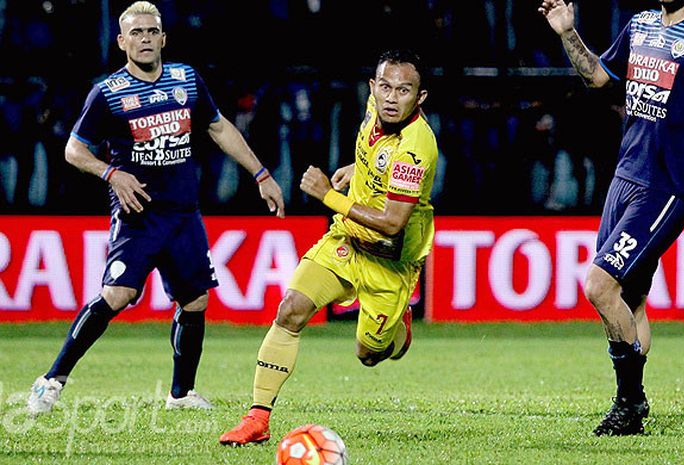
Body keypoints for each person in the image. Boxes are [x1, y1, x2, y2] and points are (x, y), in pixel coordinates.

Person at [26, 1, 285, 415]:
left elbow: (219, 127)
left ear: (163, 38)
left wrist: (261, 174)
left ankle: (181, 394)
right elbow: (74, 150)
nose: (145, 39)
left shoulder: (187, 79)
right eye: (136, 33)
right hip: (139, 216)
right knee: (117, 294)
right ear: (122, 41)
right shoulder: (108, 93)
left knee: (195, 300)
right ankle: (50, 381)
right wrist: (112, 174)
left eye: (151, 32)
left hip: (184, 214)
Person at [218, 49, 438, 446]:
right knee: (290, 311)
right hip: (346, 241)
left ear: (420, 98)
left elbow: (392, 222)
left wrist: (327, 196)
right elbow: (377, 153)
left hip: (389, 263)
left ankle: (398, 331)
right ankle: (257, 418)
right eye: (385, 86)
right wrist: (359, 168)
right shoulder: (376, 108)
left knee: (369, 355)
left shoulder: (417, 146)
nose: (391, 97)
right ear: (373, 87)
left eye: (404, 90)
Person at [540, 0, 684, 436]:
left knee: (599, 284)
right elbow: (596, 76)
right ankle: (632, 399)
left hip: (669, 183)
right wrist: (567, 32)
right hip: (626, 173)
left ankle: (630, 404)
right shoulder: (641, 24)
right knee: (629, 300)